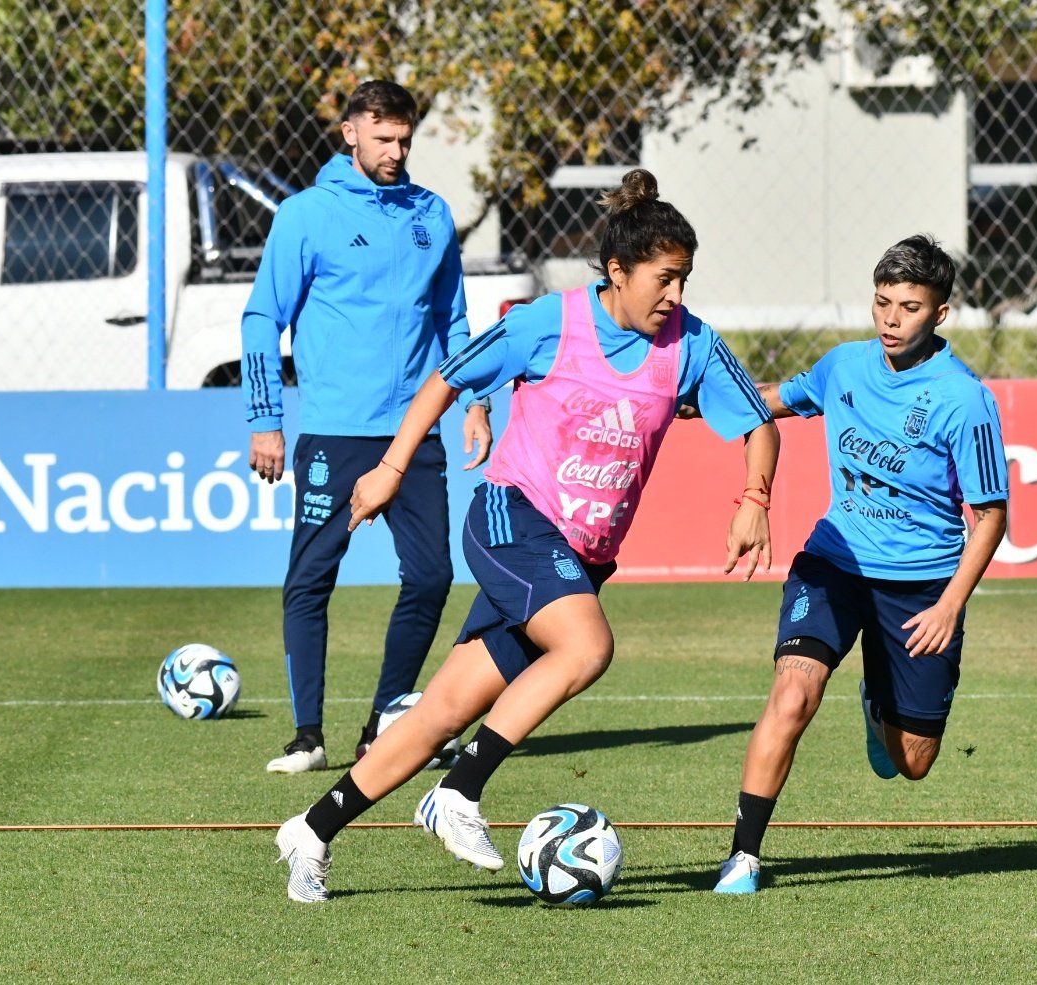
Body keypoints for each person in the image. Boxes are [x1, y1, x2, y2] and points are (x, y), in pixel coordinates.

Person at [273, 168, 781, 903]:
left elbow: (758, 427)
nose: (676, 296)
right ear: (618, 270)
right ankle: (459, 791)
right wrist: (389, 467)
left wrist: (754, 497)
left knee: (443, 708)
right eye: (665, 279)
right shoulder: (552, 321)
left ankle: (312, 830)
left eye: (684, 280)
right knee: (587, 646)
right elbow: (446, 379)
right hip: (513, 516)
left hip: (577, 557)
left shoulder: (690, 345)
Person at [713, 234, 1009, 894]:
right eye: (881, 302)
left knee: (912, 761)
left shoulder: (963, 400)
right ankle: (743, 856)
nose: (889, 319)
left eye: (908, 306)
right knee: (791, 693)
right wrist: (683, 395)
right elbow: (772, 400)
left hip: (923, 588)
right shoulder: (842, 366)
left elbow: (989, 515)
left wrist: (949, 604)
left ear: (940, 314)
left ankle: (878, 698)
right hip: (834, 563)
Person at [242, 80, 492, 775]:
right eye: (383, 138)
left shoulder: (431, 215)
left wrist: (474, 398)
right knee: (310, 577)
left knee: (433, 575)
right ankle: (307, 735)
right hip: (333, 432)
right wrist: (265, 419)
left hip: (414, 432)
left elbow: (453, 322)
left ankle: (384, 720)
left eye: (404, 139)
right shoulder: (305, 215)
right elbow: (263, 319)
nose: (396, 150)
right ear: (349, 132)